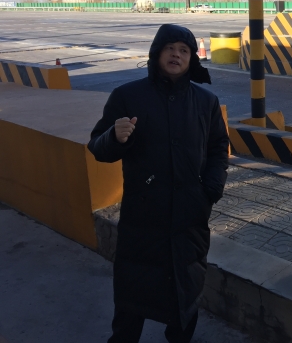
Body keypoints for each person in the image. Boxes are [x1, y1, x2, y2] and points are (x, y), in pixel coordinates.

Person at [88, 24, 229, 343]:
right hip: (142, 219)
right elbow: (97, 146)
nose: (176, 54)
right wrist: (114, 137)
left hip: (189, 218)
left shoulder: (205, 101)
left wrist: (210, 190)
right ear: (156, 53)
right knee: (131, 301)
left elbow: (219, 147)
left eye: (184, 50)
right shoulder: (127, 96)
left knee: (185, 297)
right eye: (170, 48)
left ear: (192, 58)